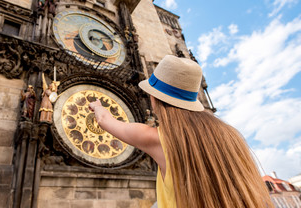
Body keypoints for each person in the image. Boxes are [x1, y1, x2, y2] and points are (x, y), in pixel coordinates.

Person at [89, 55, 273, 208]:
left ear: (154, 97)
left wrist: (96, 105)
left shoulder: (157, 138)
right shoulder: (229, 135)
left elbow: (105, 120)